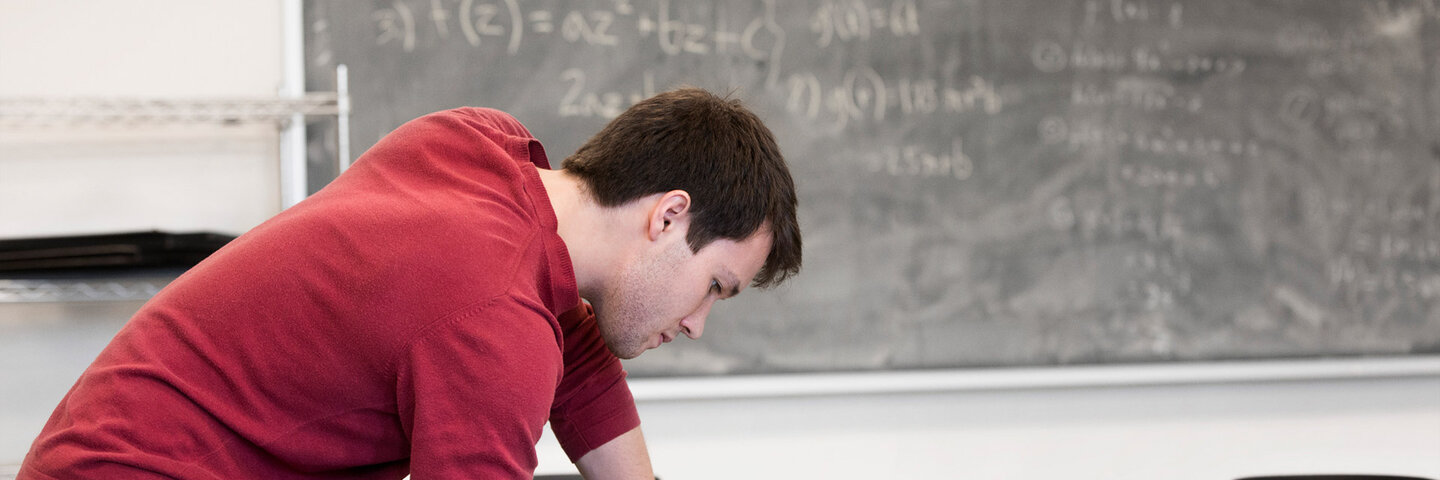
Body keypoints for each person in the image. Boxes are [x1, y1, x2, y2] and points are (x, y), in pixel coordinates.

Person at [19, 87, 802, 479]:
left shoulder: (477, 145)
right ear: (668, 217)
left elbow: (569, 337)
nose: (699, 321)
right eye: (716, 287)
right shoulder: (495, 324)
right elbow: (506, 324)